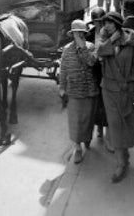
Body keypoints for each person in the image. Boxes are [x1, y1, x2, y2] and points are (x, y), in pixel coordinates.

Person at [97, 11, 134, 183]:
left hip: (128, 90)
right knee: (115, 126)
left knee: (128, 124)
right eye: (104, 23)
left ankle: (125, 155)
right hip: (109, 91)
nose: (106, 26)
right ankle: (120, 164)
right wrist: (111, 40)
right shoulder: (105, 41)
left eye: (110, 23)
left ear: (118, 24)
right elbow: (99, 53)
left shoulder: (130, 41)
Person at [59, 19, 100, 164]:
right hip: (74, 91)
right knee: (75, 121)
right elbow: (63, 70)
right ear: (72, 34)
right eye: (77, 33)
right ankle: (77, 147)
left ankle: (87, 138)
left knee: (88, 120)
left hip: (90, 91)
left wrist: (83, 48)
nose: (79, 35)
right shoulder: (66, 50)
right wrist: (62, 88)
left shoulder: (91, 47)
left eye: (82, 33)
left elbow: (91, 62)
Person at [85, 7, 109, 146]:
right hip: (94, 74)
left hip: (107, 73)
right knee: (95, 103)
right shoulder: (89, 35)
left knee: (105, 103)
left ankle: (105, 130)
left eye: (101, 21)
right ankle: (98, 129)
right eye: (96, 21)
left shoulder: (111, 34)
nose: (98, 24)